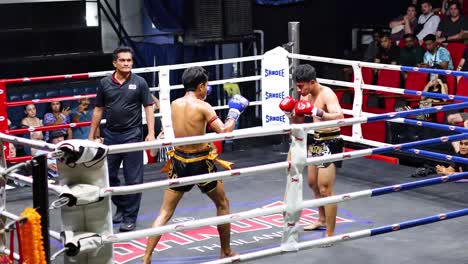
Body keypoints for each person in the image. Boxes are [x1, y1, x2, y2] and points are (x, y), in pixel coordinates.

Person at [142, 66, 247, 263]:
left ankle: (146, 258)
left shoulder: (174, 103)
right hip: (200, 162)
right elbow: (224, 132)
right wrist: (234, 113)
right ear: (200, 86)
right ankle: (225, 251)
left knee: (165, 212)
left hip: (179, 160)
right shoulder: (203, 106)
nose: (206, 90)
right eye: (205, 86)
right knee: (222, 203)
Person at [88, 46, 155, 232]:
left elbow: (149, 107)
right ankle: (123, 205)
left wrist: (151, 133)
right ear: (114, 63)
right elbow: (98, 109)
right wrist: (91, 135)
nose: (126, 63)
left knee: (133, 179)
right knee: (107, 177)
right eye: (123, 60)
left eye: (129, 60)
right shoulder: (104, 83)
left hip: (133, 135)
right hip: (110, 135)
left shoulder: (140, 82)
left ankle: (129, 217)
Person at [279, 64, 344, 239]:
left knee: (325, 189)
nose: (299, 90)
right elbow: (297, 124)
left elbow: (340, 117)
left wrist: (317, 111)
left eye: (301, 86)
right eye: (297, 86)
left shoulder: (326, 94)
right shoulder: (305, 95)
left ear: (312, 82)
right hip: (314, 139)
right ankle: (321, 220)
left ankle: (330, 233)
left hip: (330, 140)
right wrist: (289, 113)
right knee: (312, 184)